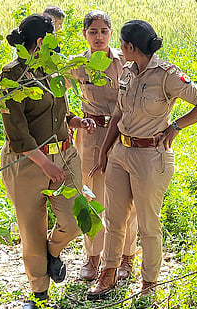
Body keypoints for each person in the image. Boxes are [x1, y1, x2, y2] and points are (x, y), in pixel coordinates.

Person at [87, 20, 197, 299]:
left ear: (131, 47)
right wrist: (104, 150)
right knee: (114, 219)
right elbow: (119, 114)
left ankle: (148, 283)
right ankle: (107, 275)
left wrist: (176, 126)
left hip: (151, 157)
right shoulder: (127, 71)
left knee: (147, 224)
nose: (119, 48)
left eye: (121, 43)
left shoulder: (167, 74)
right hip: (121, 151)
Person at [0, 14, 96, 309]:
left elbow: (57, 113)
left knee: (78, 219)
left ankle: (51, 254)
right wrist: (44, 163)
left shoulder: (53, 70)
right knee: (31, 228)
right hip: (28, 163)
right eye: (54, 37)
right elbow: (18, 132)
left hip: (65, 155)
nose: (58, 43)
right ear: (41, 41)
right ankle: (39, 293)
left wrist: (75, 121)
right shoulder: (11, 76)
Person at [69, 10, 138, 282]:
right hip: (92, 133)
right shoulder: (77, 64)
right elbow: (58, 94)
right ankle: (93, 256)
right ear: (84, 35)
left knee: (125, 198)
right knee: (91, 196)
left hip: (122, 133)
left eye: (104, 31)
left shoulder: (124, 61)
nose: (99, 37)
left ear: (112, 32)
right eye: (93, 32)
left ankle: (126, 257)